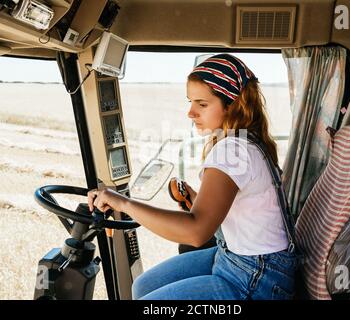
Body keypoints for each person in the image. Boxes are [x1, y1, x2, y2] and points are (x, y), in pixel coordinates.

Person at [87, 54, 298, 300]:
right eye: (190, 102)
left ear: (232, 105)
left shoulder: (232, 150)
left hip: (255, 277)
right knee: (143, 286)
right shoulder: (244, 142)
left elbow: (196, 233)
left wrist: (123, 203)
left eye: (202, 104)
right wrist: (197, 199)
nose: (191, 112)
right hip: (239, 258)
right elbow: (236, 212)